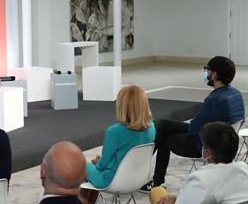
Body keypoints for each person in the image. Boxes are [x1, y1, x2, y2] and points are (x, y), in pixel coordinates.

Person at [140, 56, 245, 193]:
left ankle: (151, 176)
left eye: (207, 71)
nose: (206, 74)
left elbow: (194, 129)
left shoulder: (213, 100)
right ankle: (147, 170)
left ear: (215, 74)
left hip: (204, 145)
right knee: (163, 124)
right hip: (223, 141)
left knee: (164, 137)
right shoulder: (236, 94)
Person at [81, 85, 156, 203]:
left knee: (82, 167)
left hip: (113, 180)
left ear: (122, 106)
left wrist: (98, 163)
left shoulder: (114, 131)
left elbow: (102, 165)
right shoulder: (151, 127)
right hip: (138, 179)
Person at [150, 122, 248, 204]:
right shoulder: (244, 168)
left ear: (208, 153)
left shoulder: (200, 179)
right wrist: (177, 199)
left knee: (157, 192)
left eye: (203, 145)